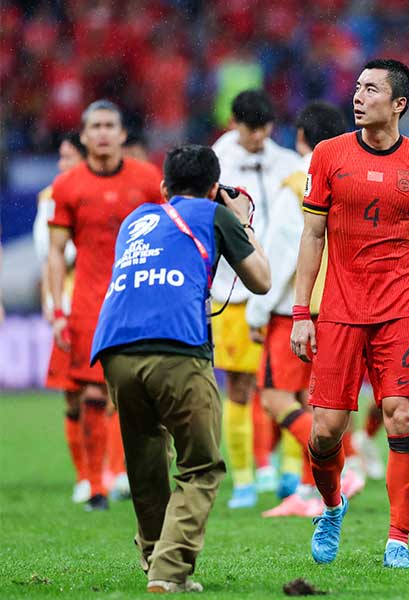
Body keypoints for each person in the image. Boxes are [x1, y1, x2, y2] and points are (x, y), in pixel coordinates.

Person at [290, 58, 409, 569]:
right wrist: (302, 312)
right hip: (338, 311)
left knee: (401, 416)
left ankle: (398, 541)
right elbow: (312, 236)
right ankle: (333, 506)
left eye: (370, 90)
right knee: (324, 432)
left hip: (398, 311)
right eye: (357, 88)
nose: (358, 97)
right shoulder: (329, 155)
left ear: (399, 103)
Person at [91, 144, 270, 593]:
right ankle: (169, 573)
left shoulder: (137, 219)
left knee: (146, 460)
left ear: (163, 185)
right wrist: (242, 220)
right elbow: (261, 280)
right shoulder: (215, 215)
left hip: (115, 348)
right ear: (214, 188)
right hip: (177, 347)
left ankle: (155, 560)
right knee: (200, 466)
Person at [245, 100, 363, 519]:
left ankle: (342, 465)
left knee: (276, 399)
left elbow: (281, 254)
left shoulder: (299, 182)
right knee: (318, 403)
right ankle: (310, 491)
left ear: (299, 138)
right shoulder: (351, 175)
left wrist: (257, 313)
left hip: (297, 309)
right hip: (342, 306)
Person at [47, 100, 163, 511]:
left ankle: (130, 475)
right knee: (92, 390)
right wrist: (58, 309)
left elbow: (170, 236)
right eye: (94, 126)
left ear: (121, 133)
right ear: (83, 135)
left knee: (139, 392)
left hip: (141, 300)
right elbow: (56, 253)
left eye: (109, 125)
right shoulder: (67, 186)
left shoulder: (148, 179)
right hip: (89, 304)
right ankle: (95, 484)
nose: (101, 133)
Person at [211, 89, 306, 509]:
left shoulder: (285, 161)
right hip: (232, 290)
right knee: (240, 386)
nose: (258, 137)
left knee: (291, 386)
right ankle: (245, 479)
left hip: (281, 292)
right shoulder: (215, 165)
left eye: (265, 129)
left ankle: (289, 473)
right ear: (234, 123)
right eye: (251, 130)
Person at [33, 133, 87, 503]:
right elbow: (47, 253)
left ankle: (111, 473)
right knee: (73, 396)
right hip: (69, 306)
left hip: (103, 303)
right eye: (60, 157)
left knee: (112, 395)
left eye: (67, 158)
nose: (60, 166)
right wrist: (52, 306)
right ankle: (85, 476)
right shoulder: (50, 198)